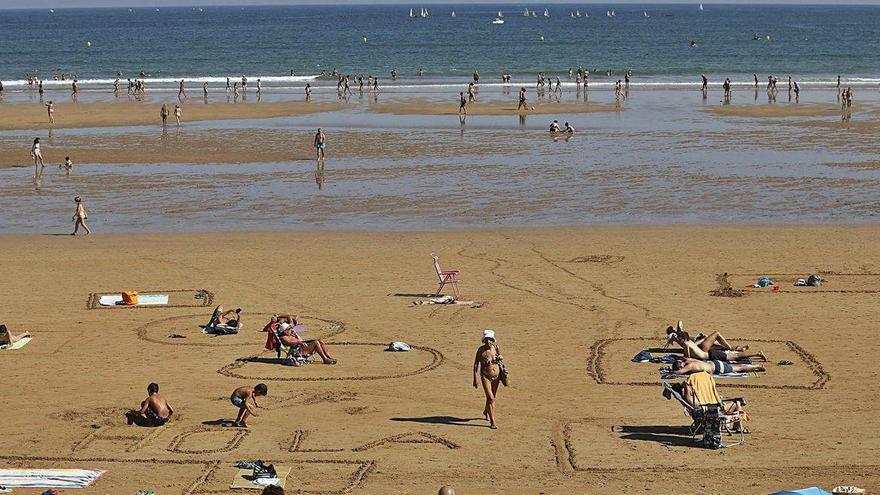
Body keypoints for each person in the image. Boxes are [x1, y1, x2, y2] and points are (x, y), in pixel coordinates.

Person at [667, 325, 766, 362]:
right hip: (709, 354)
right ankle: (754, 353)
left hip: (710, 355)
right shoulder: (687, 342)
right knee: (734, 355)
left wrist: (680, 359)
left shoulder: (686, 344)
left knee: (735, 356)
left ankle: (757, 354)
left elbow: (688, 358)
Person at [473, 329, 504, 429]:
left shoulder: (496, 348)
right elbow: (476, 364)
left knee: (492, 397)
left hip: (497, 377)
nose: (488, 341)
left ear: (493, 340)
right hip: (485, 376)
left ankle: (486, 410)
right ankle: (493, 422)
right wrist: (475, 378)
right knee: (490, 398)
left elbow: (500, 361)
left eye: (490, 339)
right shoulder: (480, 350)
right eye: (486, 339)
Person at [672, 357, 765, 376]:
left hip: (717, 368)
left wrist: (671, 372)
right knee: (737, 366)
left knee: (739, 368)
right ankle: (756, 366)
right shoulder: (689, 361)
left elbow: (679, 372)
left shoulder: (689, 366)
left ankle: (757, 366)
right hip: (715, 363)